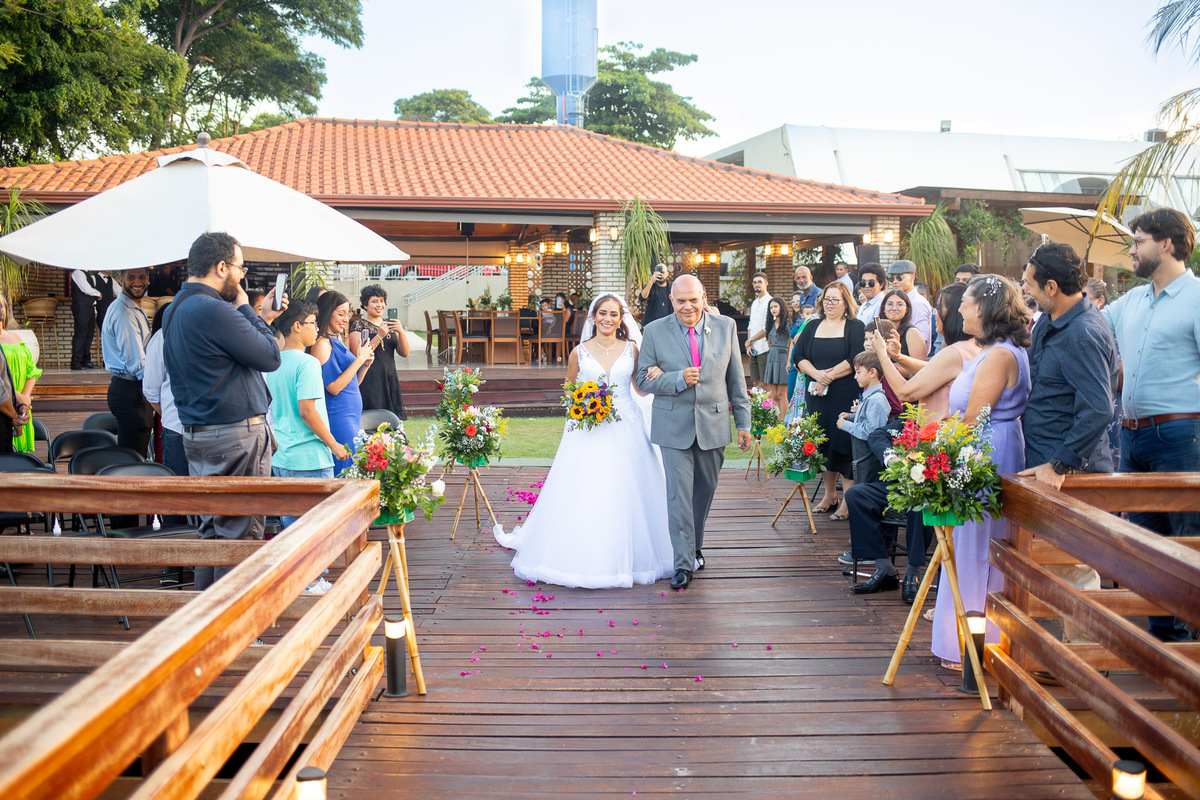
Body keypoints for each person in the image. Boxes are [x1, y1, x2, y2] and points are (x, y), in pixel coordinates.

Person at [495, 294, 674, 588]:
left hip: (626, 425)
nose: (608, 319)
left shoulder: (632, 349)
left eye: (614, 314)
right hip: (588, 429)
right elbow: (568, 389)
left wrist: (655, 374)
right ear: (593, 317)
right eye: (603, 313)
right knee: (588, 487)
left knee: (630, 488)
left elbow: (640, 391)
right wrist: (583, 401)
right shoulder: (579, 351)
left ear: (621, 318)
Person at [163, 232, 285, 591]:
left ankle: (206, 628)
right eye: (239, 267)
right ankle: (235, 636)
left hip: (199, 435)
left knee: (215, 536)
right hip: (235, 436)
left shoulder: (175, 310)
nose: (242, 276)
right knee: (240, 539)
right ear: (221, 267)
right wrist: (250, 311)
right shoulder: (214, 308)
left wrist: (257, 315)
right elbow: (270, 356)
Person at [1102, 207, 1200, 642]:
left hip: (1183, 435)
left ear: (1167, 244)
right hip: (1132, 435)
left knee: (1187, 545)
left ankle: (1189, 650)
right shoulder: (1132, 300)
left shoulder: (1197, 298)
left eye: (1138, 240)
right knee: (1144, 547)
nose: (1131, 249)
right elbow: (1090, 329)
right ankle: (1163, 642)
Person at [1015, 242, 1117, 660]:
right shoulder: (1049, 322)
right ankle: (1063, 657)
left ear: (1051, 286)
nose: (1024, 289)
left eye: (1028, 283)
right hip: (1044, 461)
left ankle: (1087, 664)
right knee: (1051, 565)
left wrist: (1059, 463)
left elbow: (1098, 408)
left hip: (1069, 469)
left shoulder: (1083, 332)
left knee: (1072, 567)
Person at [931, 275, 1031, 670]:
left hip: (989, 451)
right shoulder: (998, 351)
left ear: (984, 310)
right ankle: (969, 639)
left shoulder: (1001, 355)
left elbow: (974, 416)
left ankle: (973, 646)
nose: (959, 310)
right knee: (971, 543)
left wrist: (930, 447)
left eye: (966, 303)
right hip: (988, 445)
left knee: (977, 546)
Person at [859, 281, 981, 600]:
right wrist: (902, 358)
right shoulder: (965, 349)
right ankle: (885, 566)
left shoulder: (957, 349)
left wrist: (884, 357)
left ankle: (913, 570)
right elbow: (934, 369)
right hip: (931, 439)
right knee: (865, 487)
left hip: (940, 444)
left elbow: (906, 391)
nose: (933, 317)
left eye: (938, 310)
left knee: (917, 501)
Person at [637, 275, 752, 589]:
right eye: (680, 300)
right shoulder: (654, 331)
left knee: (704, 492)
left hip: (713, 424)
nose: (687, 306)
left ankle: (694, 544)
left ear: (703, 297)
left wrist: (744, 423)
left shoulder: (727, 326)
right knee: (678, 496)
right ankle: (683, 563)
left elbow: (736, 380)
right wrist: (676, 378)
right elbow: (642, 380)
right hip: (672, 426)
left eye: (693, 299)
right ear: (671, 300)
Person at [268, 301, 348, 528]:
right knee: (318, 533)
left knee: (292, 531)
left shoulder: (274, 362)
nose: (317, 329)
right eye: (312, 323)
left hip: (282, 455)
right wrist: (334, 445)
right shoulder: (308, 363)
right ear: (296, 326)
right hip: (309, 458)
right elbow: (307, 411)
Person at [792, 281, 865, 520]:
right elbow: (799, 356)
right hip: (817, 396)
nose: (830, 304)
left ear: (846, 303)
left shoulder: (855, 326)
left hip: (844, 394)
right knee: (822, 443)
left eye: (836, 299)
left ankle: (847, 501)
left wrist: (828, 377)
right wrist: (817, 376)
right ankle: (830, 494)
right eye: (827, 299)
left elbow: (855, 357)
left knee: (843, 444)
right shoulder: (812, 325)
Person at [834, 350, 895, 592]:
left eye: (858, 372)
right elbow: (866, 419)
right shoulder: (869, 396)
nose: (855, 376)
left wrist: (846, 425)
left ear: (872, 373)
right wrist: (851, 414)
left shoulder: (878, 399)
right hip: (862, 460)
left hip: (870, 461)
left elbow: (873, 432)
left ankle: (872, 550)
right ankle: (867, 548)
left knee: (866, 500)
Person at [310, 291, 373, 474]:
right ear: (327, 312)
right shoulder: (322, 344)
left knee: (356, 472)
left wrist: (365, 364)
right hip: (338, 417)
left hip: (352, 417)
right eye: (340, 313)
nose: (346, 319)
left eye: (348, 314)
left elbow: (352, 384)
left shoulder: (336, 341)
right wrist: (359, 360)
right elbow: (334, 387)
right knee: (346, 472)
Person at [102, 268, 153, 455]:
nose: (137, 282)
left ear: (148, 279)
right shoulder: (125, 313)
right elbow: (137, 364)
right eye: (131, 277)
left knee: (135, 454)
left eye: (142, 277)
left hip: (132, 388)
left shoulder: (133, 307)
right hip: (130, 389)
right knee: (133, 458)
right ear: (121, 279)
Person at [349, 285, 409, 421]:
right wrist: (379, 335)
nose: (379, 305)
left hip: (389, 377)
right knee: (372, 420)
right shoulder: (359, 325)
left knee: (392, 422)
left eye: (382, 301)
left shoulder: (389, 324)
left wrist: (400, 331)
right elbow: (358, 353)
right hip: (370, 378)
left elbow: (404, 353)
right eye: (374, 301)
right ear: (365, 305)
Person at [0, 294, 40, 452]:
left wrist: (24, 398)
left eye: (1, 305)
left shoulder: (16, 337)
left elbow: (31, 370)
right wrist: (15, 397)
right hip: (7, 405)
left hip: (19, 403)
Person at [885, 260, 934, 355]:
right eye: (892, 279)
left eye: (899, 278)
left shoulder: (917, 303)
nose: (895, 282)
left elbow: (922, 340)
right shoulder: (906, 299)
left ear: (912, 276)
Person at [876, 289, 928, 376]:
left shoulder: (912, 333)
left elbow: (920, 370)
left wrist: (884, 368)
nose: (894, 308)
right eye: (890, 304)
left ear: (907, 309)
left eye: (900, 304)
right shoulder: (877, 331)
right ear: (884, 308)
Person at [761, 297, 791, 419]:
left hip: (783, 357)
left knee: (781, 394)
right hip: (771, 358)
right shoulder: (771, 324)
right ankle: (778, 422)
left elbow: (793, 341)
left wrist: (789, 360)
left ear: (782, 307)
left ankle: (784, 422)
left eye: (775, 306)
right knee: (774, 395)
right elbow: (769, 341)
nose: (773, 309)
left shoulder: (788, 323)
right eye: (771, 307)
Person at [69, 269, 101, 370]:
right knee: (81, 333)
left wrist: (94, 309)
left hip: (89, 307)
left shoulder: (88, 274)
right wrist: (98, 293)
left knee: (89, 334)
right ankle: (76, 362)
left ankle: (86, 360)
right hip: (81, 307)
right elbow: (86, 289)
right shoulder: (77, 273)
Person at [744, 272, 771, 388]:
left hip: (764, 347)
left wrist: (750, 340)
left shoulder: (771, 301)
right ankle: (758, 406)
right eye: (755, 282)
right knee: (755, 383)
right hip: (753, 348)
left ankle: (768, 406)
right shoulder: (755, 303)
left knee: (765, 383)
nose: (757, 284)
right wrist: (749, 344)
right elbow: (751, 325)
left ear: (766, 283)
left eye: (760, 282)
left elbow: (767, 328)